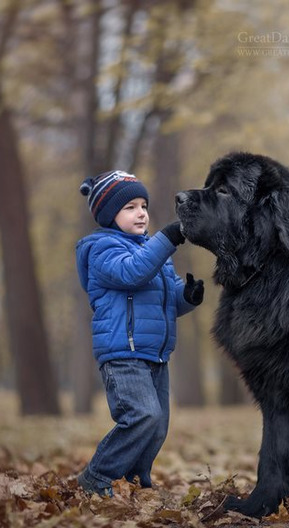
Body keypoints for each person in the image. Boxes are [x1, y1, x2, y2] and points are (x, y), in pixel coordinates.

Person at [73, 169, 204, 497]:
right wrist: (168, 238)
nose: (141, 213)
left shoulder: (152, 251)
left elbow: (166, 298)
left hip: (155, 354)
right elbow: (132, 274)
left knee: (157, 425)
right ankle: (97, 476)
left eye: (143, 205)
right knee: (142, 415)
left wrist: (186, 297)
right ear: (108, 214)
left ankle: (133, 479)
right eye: (129, 207)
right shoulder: (102, 250)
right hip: (123, 353)